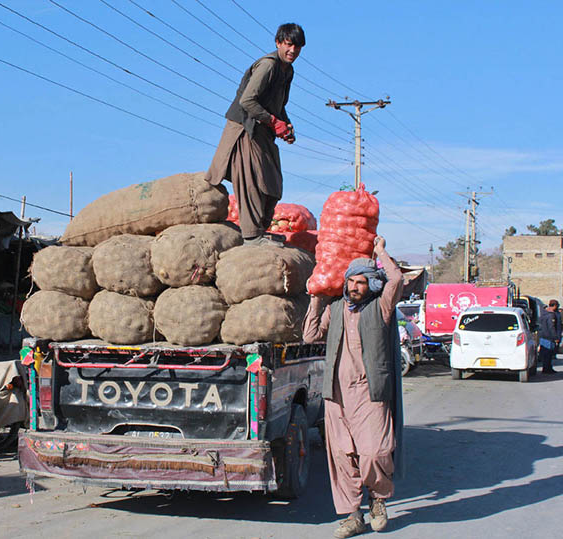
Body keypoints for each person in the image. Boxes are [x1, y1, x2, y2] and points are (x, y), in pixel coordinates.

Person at [303, 236, 404, 538]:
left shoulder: (381, 307)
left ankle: (378, 499)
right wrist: (316, 298)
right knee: (343, 457)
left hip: (370, 393)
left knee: (374, 452)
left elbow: (396, 278)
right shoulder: (335, 309)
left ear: (371, 285)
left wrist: (381, 251)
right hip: (336, 395)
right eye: (351, 282)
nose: (355, 287)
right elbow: (310, 336)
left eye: (362, 282)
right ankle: (351, 516)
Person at [205, 23, 305, 247]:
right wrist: (273, 121)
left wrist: (286, 125)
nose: (293, 51)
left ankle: (260, 230)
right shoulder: (268, 66)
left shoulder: (287, 70)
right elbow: (247, 101)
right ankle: (251, 236)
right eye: (289, 45)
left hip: (262, 131)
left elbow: (278, 105)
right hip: (245, 129)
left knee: (272, 183)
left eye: (297, 47)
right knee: (252, 181)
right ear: (279, 43)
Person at [538, 300, 558, 374]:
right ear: (555, 306)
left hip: (542, 336)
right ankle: (547, 368)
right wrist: (555, 337)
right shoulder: (551, 315)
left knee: (544, 353)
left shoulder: (543, 314)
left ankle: (546, 368)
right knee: (548, 354)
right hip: (549, 337)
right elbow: (551, 327)